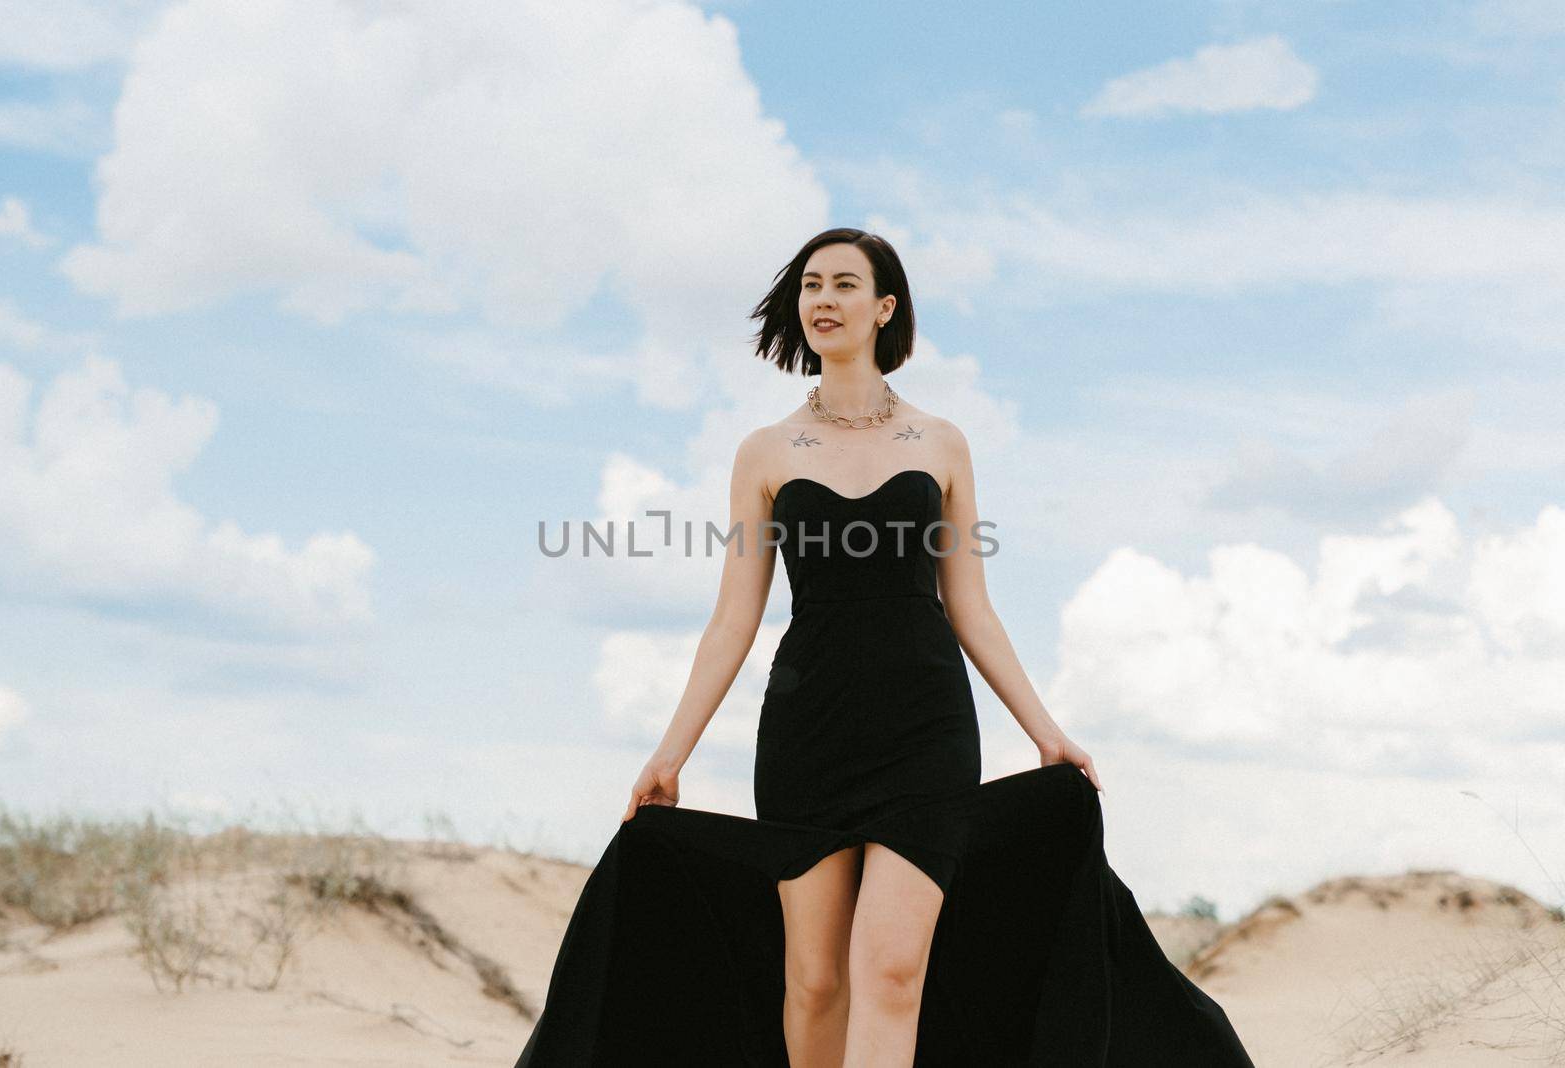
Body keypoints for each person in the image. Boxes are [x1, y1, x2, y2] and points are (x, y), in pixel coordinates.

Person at [515, 228, 1254, 1067]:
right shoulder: (765, 452)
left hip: (925, 728)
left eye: (842, 284)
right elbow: (733, 619)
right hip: (808, 732)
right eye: (809, 286)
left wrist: (1045, 731)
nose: (822, 300)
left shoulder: (940, 444)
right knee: (818, 981)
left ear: (884, 307)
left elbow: (971, 606)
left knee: (894, 970)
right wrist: (668, 753)